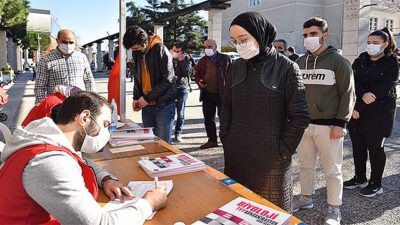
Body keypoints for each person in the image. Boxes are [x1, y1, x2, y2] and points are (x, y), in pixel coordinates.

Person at [0, 91, 168, 224]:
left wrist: (105, 178)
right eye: (105, 125)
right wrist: (148, 203)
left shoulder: (45, 137)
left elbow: (81, 159)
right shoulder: (49, 162)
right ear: (84, 118)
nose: (106, 133)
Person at [221, 11, 310, 212]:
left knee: (270, 212)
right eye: (235, 41)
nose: (239, 45)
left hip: (271, 159)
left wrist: (283, 150)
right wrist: (225, 134)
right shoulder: (235, 66)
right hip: (235, 154)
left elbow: (300, 115)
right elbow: (226, 104)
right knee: (237, 209)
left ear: (261, 35)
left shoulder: (286, 67)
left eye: (243, 39)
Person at [293, 17, 356, 225]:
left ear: (325, 35)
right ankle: (305, 199)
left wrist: (341, 123)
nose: (309, 38)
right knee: (305, 165)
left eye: (313, 34)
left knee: (332, 169)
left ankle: (334, 209)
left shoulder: (338, 62)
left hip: (329, 126)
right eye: (305, 35)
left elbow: (348, 94)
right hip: (304, 125)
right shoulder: (300, 62)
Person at [344, 28, 399, 197]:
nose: (371, 46)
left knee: (375, 148)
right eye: (369, 43)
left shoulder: (392, 62)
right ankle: (360, 178)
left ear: (385, 44)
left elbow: (384, 86)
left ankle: (376, 183)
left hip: (378, 112)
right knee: (358, 147)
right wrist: (359, 100)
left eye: (375, 43)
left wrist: (358, 107)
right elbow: (351, 80)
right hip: (357, 111)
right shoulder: (361, 59)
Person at [123, 25, 177, 143]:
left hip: (164, 104)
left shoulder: (160, 50)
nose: (134, 52)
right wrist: (136, 98)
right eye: (132, 50)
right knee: (149, 142)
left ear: (146, 42)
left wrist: (147, 98)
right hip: (147, 105)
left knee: (163, 143)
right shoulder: (137, 54)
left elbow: (168, 79)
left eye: (136, 48)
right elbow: (137, 77)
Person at [34, 29, 95, 104]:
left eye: (71, 42)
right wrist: (44, 105)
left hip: (79, 103)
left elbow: (89, 81)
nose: (68, 45)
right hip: (57, 106)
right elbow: (40, 87)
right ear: (57, 41)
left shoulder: (82, 57)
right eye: (64, 42)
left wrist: (92, 102)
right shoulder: (46, 60)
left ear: (75, 42)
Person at [195, 39, 231, 149]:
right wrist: (199, 82)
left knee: (224, 118)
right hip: (207, 94)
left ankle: (227, 141)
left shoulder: (225, 59)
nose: (207, 49)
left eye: (210, 46)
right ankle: (212, 140)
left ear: (215, 47)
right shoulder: (202, 61)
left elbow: (231, 75)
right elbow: (197, 76)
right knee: (208, 119)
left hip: (222, 94)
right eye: (205, 47)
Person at [172, 44, 192, 143]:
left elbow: (188, 72)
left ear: (181, 51)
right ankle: (167, 132)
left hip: (181, 89)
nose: (175, 52)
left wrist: (182, 61)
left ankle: (178, 133)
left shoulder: (186, 58)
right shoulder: (168, 58)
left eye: (178, 50)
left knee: (180, 113)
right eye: (174, 50)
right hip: (170, 89)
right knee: (169, 112)